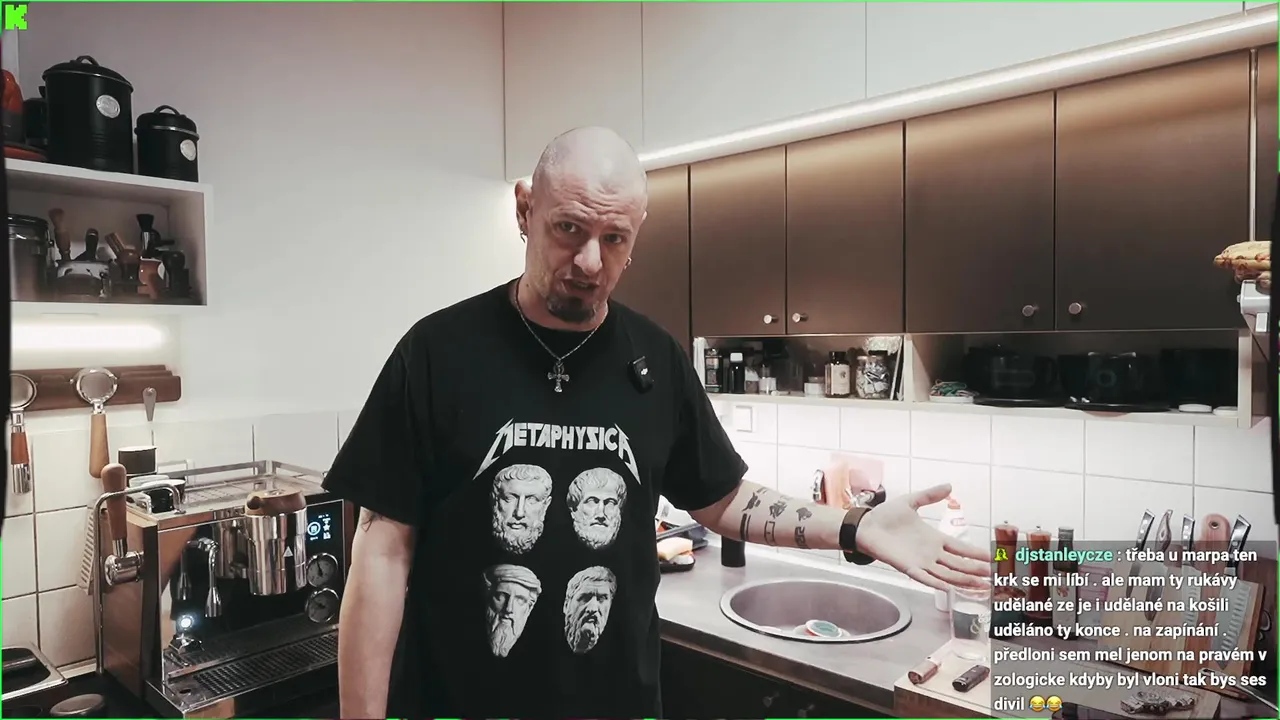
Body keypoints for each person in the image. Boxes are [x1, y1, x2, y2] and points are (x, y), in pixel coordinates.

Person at [323, 126, 992, 718]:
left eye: (614, 239)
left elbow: (722, 498)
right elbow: (381, 552)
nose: (591, 262)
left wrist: (855, 525)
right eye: (569, 229)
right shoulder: (437, 354)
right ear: (525, 210)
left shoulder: (655, 360)